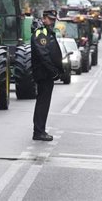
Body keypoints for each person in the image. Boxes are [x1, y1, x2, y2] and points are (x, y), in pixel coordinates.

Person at [30, 9, 64, 141]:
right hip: (44, 74)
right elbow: (43, 54)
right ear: (44, 19)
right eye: (50, 19)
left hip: (47, 74)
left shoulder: (48, 32)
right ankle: (39, 132)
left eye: (54, 19)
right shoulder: (41, 32)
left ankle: (40, 130)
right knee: (43, 103)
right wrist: (53, 72)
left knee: (44, 103)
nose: (52, 22)